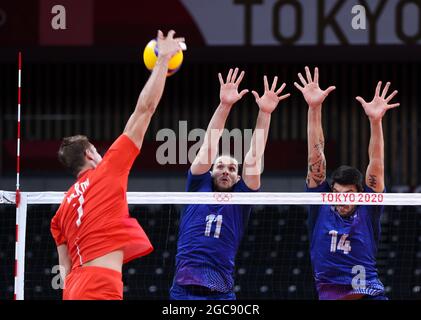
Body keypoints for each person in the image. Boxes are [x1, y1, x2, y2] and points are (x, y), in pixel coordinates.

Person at [50, 30, 186, 300]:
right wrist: (163, 60)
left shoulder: (62, 209)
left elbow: (63, 267)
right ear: (90, 154)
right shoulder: (107, 170)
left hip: (74, 288)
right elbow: (144, 110)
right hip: (100, 286)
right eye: (96, 150)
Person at [170, 68, 290, 300]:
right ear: (211, 171)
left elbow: (254, 157)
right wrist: (225, 105)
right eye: (221, 166)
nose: (226, 171)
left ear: (238, 178)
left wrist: (265, 112)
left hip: (221, 288)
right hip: (184, 286)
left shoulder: (242, 197)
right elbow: (208, 145)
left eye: (232, 169)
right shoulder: (197, 187)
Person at [295, 66, 399, 300]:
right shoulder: (320, 205)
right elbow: (315, 157)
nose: (341, 199)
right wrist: (314, 108)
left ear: (359, 194)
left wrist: (375, 121)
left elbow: (376, 164)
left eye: (348, 194)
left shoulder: (367, 210)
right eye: (336, 193)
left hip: (370, 293)